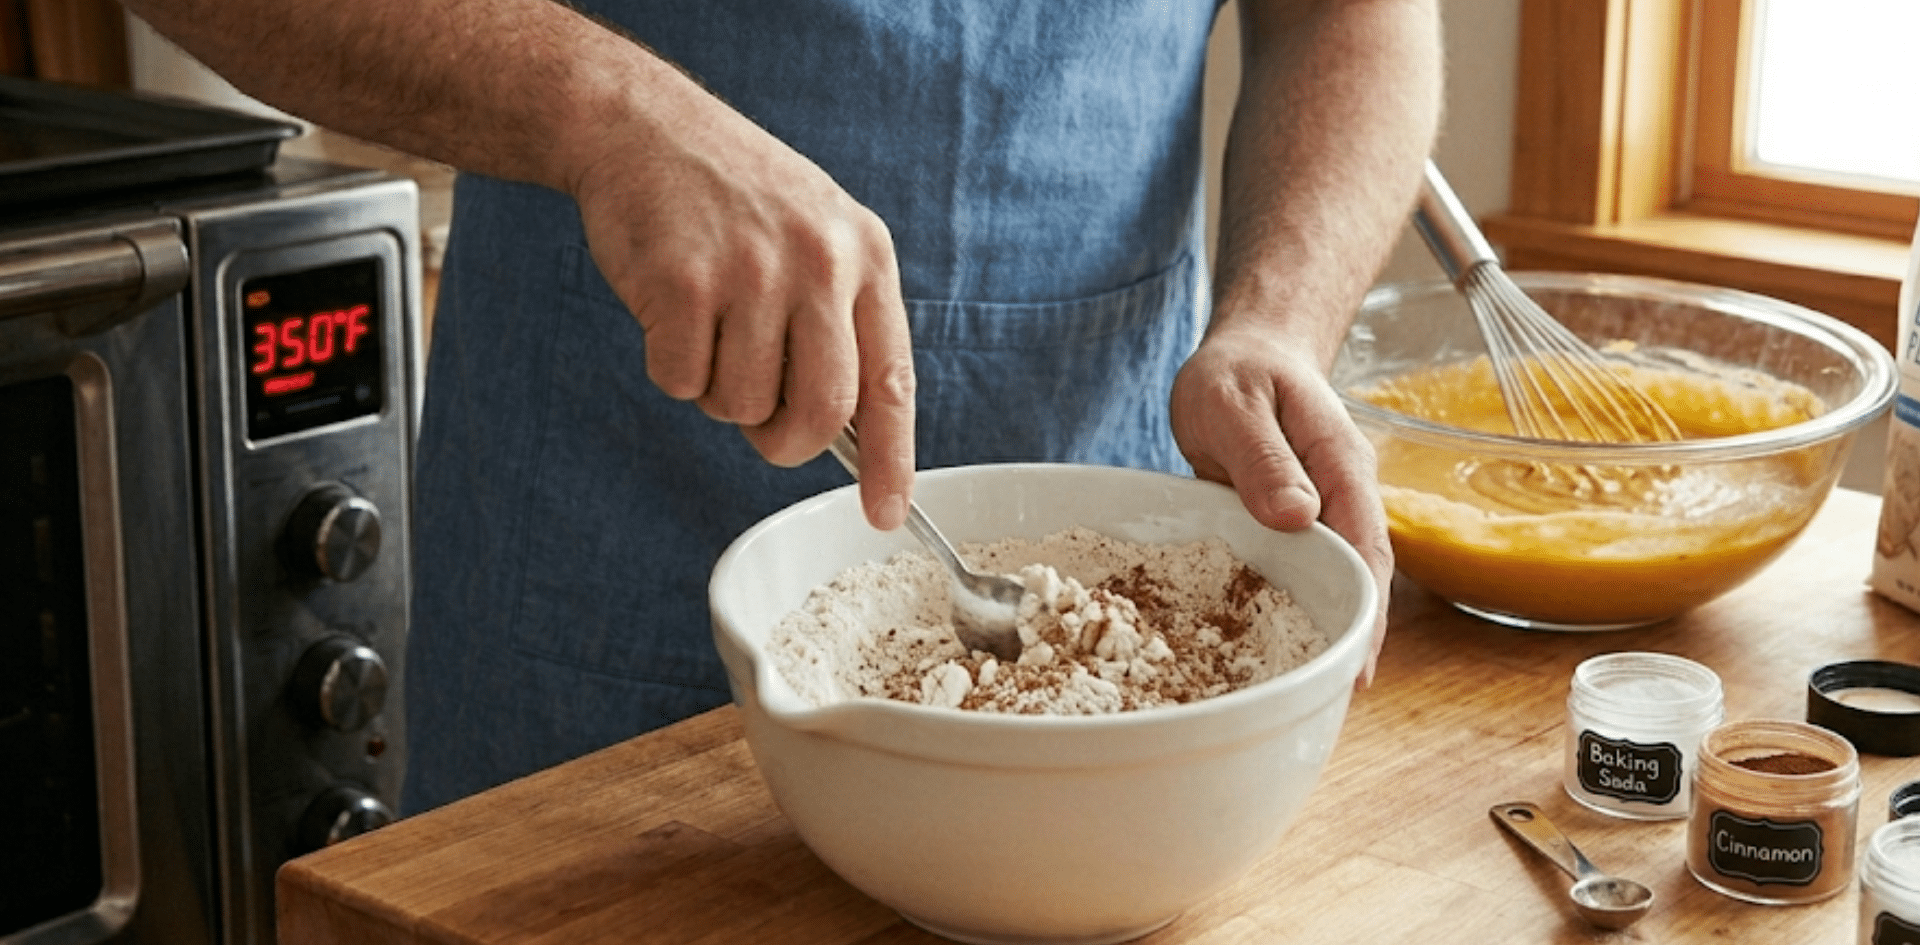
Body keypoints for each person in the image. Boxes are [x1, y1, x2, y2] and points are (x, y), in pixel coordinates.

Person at [124, 0, 1442, 812]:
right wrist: (604, 109)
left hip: (1113, 567)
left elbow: (1352, 15)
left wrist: (1280, 317)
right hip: (588, 570)